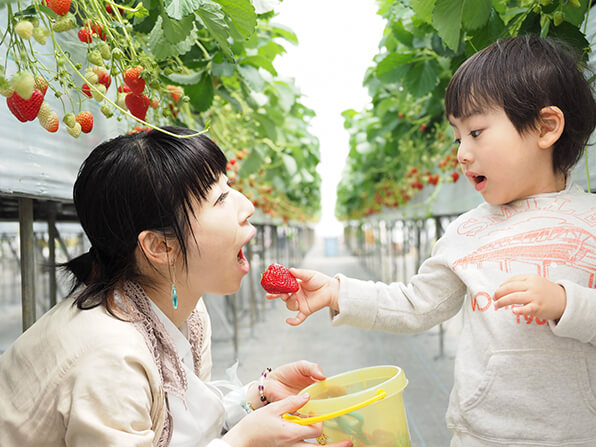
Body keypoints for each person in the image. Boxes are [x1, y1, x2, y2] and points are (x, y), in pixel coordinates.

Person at [268, 35, 596, 446]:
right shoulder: (467, 232)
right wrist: (338, 292)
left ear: (547, 127)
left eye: (476, 131)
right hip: (481, 434)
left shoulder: (590, 222)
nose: (461, 152)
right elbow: (416, 304)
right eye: (458, 137)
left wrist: (569, 303)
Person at [0, 126, 352, 447]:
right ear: (160, 246)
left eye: (228, 188)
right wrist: (241, 443)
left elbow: (175, 422)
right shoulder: (108, 358)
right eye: (220, 199)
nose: (247, 206)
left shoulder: (186, 311)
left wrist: (255, 396)